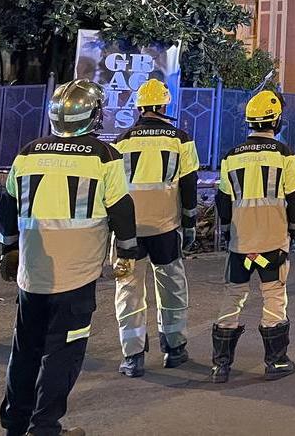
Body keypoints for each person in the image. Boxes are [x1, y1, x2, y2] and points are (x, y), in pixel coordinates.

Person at [0, 79, 139, 436]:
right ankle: (44, 427)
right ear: (94, 115)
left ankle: (15, 423)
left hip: (32, 275)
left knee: (26, 349)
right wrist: (127, 252)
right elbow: (121, 209)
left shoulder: (27, 153)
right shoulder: (104, 157)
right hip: (76, 277)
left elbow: (7, 204)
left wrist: (9, 249)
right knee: (63, 353)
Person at [211, 89, 295, 384]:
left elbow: (223, 198)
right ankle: (275, 361)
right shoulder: (284, 154)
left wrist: (226, 229)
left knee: (233, 295)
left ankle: (221, 365)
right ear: (275, 121)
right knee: (274, 296)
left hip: (241, 242)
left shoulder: (231, 156)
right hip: (272, 241)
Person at [112, 78, 200, 377]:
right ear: (164, 105)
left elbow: (112, 191)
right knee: (172, 285)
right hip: (165, 228)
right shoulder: (180, 139)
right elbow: (189, 184)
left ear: (139, 106)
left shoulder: (121, 141)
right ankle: (174, 349)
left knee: (129, 289)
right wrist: (189, 224)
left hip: (128, 231)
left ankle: (132, 357)